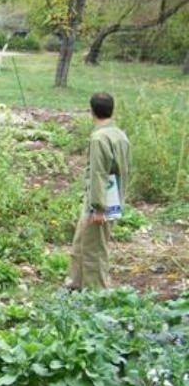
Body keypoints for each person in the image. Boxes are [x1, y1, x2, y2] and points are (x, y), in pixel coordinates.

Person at [68, 92, 132, 290]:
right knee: (81, 242)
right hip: (114, 197)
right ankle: (75, 284)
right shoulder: (120, 135)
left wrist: (98, 207)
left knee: (94, 249)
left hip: (101, 201)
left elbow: (99, 173)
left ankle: (96, 292)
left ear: (92, 111)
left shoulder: (99, 138)